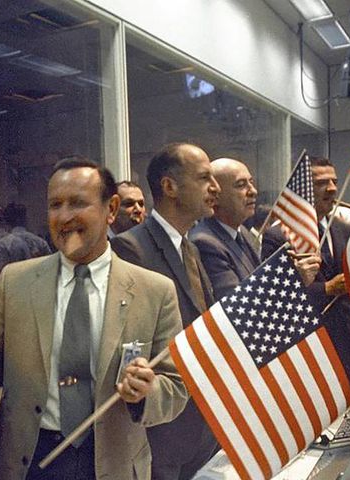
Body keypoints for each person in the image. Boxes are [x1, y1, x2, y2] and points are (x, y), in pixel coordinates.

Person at [0, 158, 188, 479]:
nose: (64, 216)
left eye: (78, 203)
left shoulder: (154, 291)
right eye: (55, 205)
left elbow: (176, 388)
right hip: (29, 462)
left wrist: (146, 392)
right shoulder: (16, 282)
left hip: (111, 464)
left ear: (111, 209)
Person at [111, 142, 220, 480]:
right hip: (162, 434)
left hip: (199, 424)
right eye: (204, 178)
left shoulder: (191, 248)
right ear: (169, 186)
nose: (215, 188)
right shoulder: (131, 248)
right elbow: (130, 346)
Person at [261, 156, 350, 397]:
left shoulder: (345, 229)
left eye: (334, 181)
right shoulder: (278, 237)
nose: (332, 188)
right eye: (321, 183)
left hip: (349, 342)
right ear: (302, 189)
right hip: (309, 346)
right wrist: (327, 288)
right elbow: (275, 295)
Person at [189, 157, 260, 301]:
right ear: (215, 196)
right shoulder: (205, 243)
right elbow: (235, 303)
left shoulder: (243, 232)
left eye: (251, 182)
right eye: (241, 185)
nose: (253, 191)